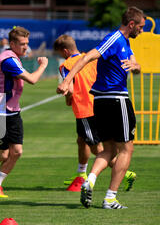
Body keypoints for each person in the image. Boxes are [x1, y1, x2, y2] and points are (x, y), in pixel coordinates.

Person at [56, 6, 144, 209]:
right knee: (126, 149)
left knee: (109, 149)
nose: (142, 30)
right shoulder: (114, 39)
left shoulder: (126, 43)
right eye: (140, 27)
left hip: (102, 101)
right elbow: (86, 58)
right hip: (116, 100)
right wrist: (68, 80)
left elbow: (135, 65)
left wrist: (137, 66)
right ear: (131, 24)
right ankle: (110, 198)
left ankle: (90, 181)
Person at [53, 34, 136, 191]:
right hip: (101, 103)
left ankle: (125, 173)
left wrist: (67, 100)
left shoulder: (66, 65)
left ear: (64, 51)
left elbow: (69, 89)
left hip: (85, 108)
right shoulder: (92, 58)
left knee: (96, 147)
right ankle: (81, 173)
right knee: (81, 140)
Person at [0, 26, 48, 198]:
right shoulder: (9, 60)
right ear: (12, 44)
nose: (26, 47)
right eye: (23, 44)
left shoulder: (13, 58)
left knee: (16, 151)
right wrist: (43, 65)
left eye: (27, 44)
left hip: (12, 111)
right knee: (2, 153)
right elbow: (32, 79)